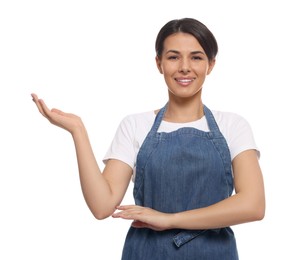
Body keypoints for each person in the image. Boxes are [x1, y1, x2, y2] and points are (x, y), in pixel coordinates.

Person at [31, 17, 265, 259]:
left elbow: (253, 205)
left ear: (211, 64)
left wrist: (169, 220)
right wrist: (78, 131)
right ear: (159, 63)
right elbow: (102, 206)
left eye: (196, 57)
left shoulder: (233, 126)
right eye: (173, 57)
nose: (185, 67)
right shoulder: (135, 125)